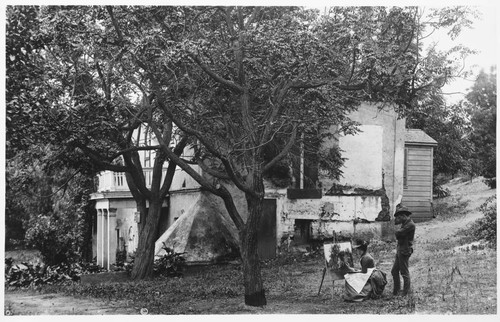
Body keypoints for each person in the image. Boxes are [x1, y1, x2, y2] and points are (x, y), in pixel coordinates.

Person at [391, 206, 416, 297]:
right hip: (400, 249)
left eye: (399, 217)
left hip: (404, 250)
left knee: (404, 272)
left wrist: (398, 233)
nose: (398, 219)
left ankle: (405, 293)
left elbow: (398, 233)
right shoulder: (405, 223)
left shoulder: (410, 224)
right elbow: (399, 233)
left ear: (404, 216)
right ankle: (396, 291)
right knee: (394, 271)